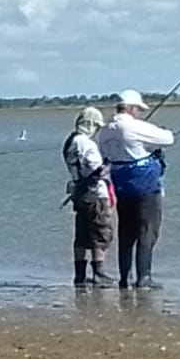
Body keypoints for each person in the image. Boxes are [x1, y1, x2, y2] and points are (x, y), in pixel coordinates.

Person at [96, 89, 175, 289]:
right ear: (131, 108)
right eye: (138, 109)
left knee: (126, 232)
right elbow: (168, 138)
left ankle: (125, 277)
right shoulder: (133, 127)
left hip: (121, 186)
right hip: (145, 186)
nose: (139, 113)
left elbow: (106, 155)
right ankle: (144, 277)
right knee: (147, 231)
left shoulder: (104, 131)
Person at [63, 107, 115, 288]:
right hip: (95, 195)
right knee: (100, 233)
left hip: (79, 194)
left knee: (82, 235)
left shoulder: (70, 141)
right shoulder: (86, 143)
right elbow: (96, 170)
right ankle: (99, 274)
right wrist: (108, 164)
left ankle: (79, 276)